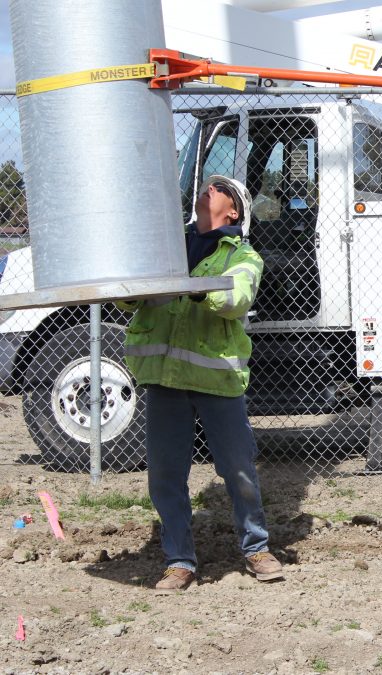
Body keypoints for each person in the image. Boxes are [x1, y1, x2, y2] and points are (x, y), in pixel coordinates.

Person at [117, 175, 283, 594]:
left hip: (217, 379)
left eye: (219, 189)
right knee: (166, 475)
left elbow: (237, 299)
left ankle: (256, 548)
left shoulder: (243, 256)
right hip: (166, 378)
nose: (207, 188)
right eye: (206, 185)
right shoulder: (166, 247)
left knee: (239, 470)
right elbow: (126, 298)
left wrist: (192, 289)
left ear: (234, 212)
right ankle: (179, 561)